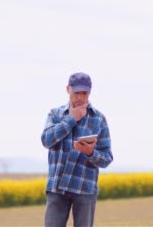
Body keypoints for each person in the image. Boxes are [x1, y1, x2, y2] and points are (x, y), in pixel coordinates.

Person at [41, 72, 113, 227]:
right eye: (77, 92)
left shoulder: (99, 119)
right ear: (68, 89)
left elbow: (107, 158)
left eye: (85, 93)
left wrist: (90, 153)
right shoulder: (55, 114)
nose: (81, 97)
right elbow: (46, 140)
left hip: (84, 189)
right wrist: (71, 119)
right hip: (57, 188)